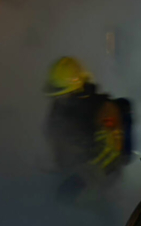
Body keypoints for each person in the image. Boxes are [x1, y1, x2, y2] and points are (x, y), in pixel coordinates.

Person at [43, 56, 132, 201]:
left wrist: (81, 180)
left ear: (76, 90)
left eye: (63, 94)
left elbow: (111, 153)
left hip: (100, 178)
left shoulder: (104, 109)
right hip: (70, 173)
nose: (58, 100)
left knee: (89, 210)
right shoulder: (61, 109)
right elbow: (55, 138)